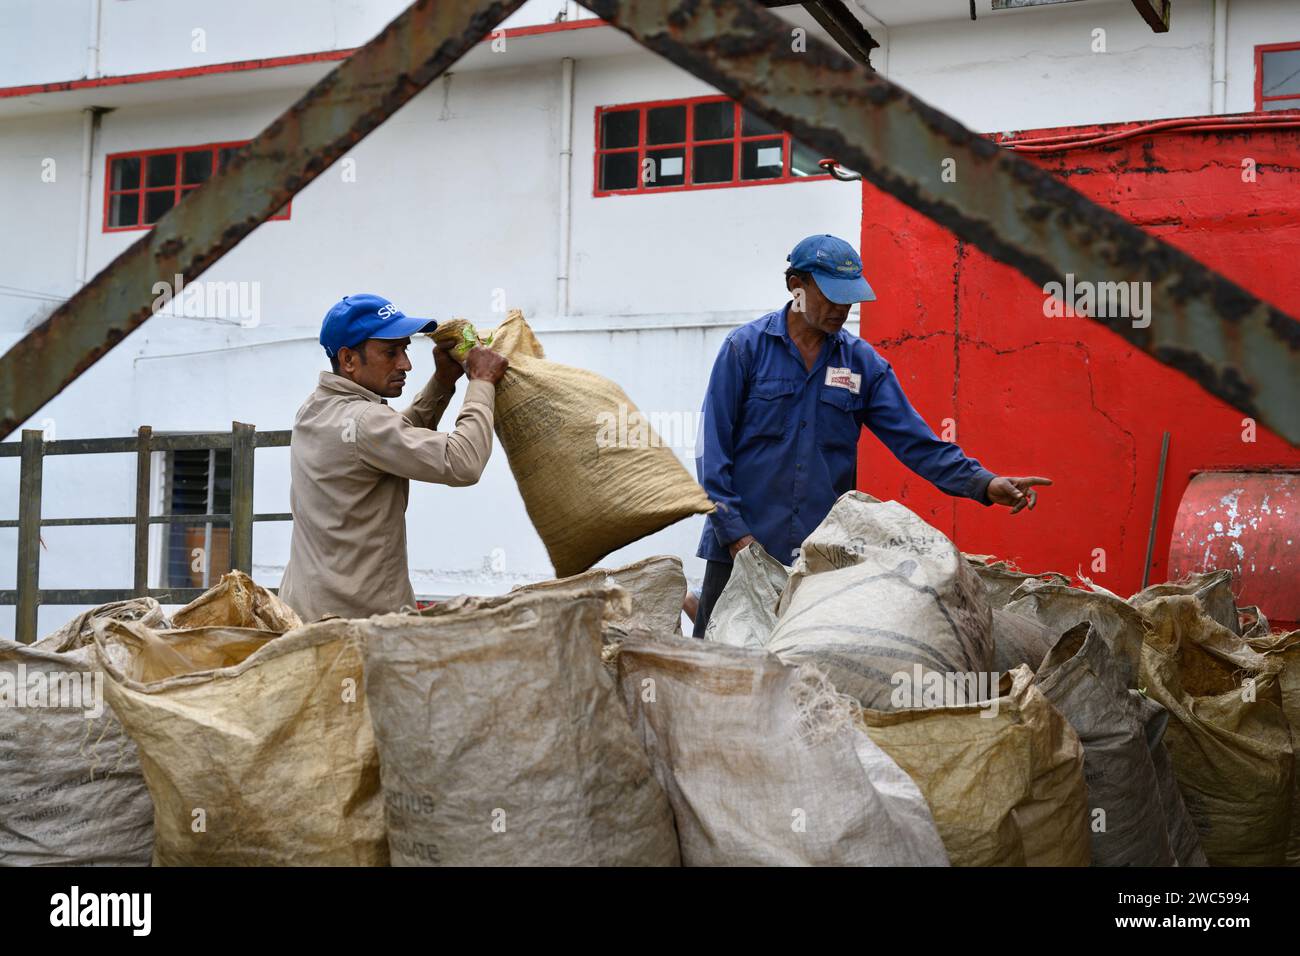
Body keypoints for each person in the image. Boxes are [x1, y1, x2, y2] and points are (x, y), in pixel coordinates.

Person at [691, 235, 1051, 638]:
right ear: (796, 285)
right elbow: (712, 452)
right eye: (831, 296)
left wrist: (984, 483)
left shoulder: (864, 366)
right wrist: (736, 536)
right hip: (739, 551)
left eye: (850, 298)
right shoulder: (745, 350)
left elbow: (917, 444)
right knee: (717, 666)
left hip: (819, 561)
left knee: (808, 672)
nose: (842, 309)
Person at [279, 294, 507, 621]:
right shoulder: (366, 422)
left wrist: (442, 382)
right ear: (348, 360)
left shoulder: (315, 409)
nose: (406, 364)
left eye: (405, 350)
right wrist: (482, 383)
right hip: (361, 625)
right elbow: (464, 462)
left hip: (306, 612)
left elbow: (390, 438)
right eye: (390, 353)